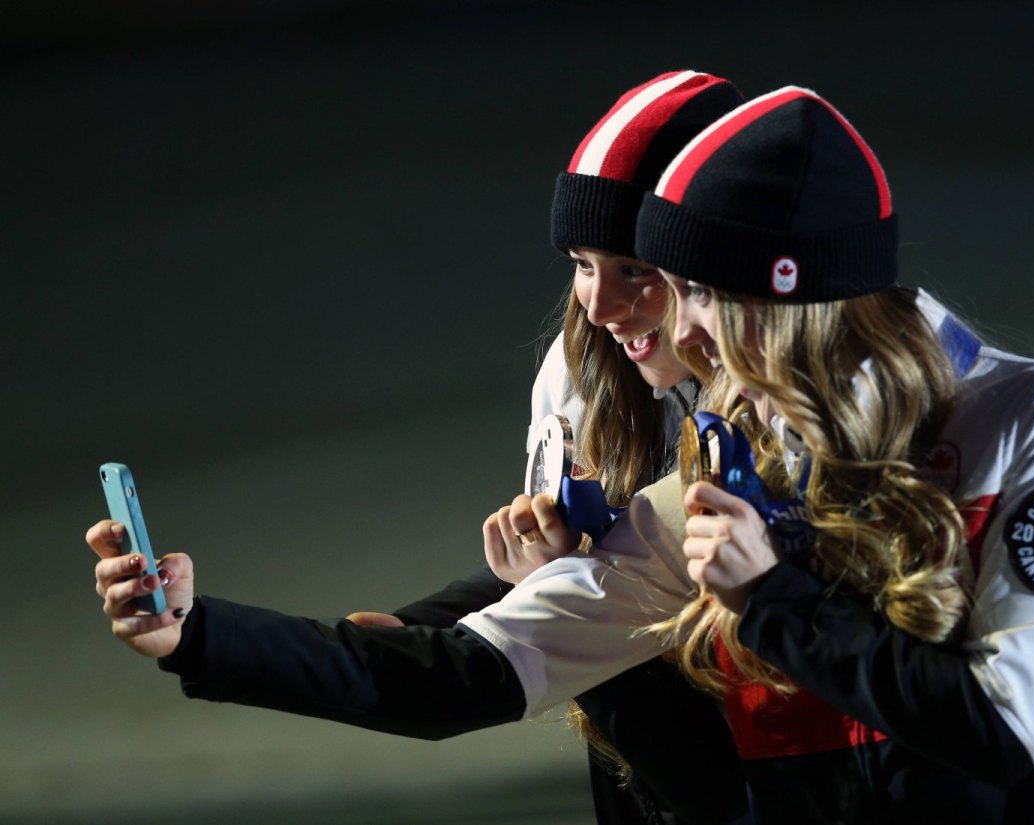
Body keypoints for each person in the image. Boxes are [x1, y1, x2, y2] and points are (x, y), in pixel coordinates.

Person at [89, 71, 751, 825]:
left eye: (635, 268)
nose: (599, 307)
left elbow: (570, 621)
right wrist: (423, 627)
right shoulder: (594, 367)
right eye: (581, 264)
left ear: (719, 265)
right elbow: (606, 578)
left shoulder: (785, 425)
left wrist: (204, 637)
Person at [626, 86, 1034, 823]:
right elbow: (583, 597)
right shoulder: (745, 445)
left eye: (703, 292)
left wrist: (774, 600)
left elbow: (1004, 726)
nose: (683, 336)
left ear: (788, 296)